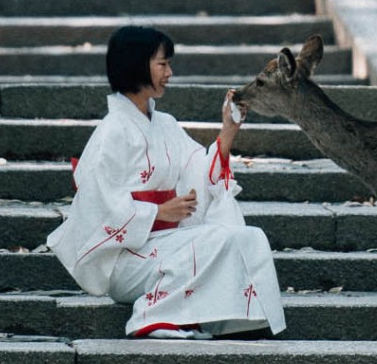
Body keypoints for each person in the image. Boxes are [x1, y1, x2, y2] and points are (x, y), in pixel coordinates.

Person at [47, 25, 287, 338]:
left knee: (248, 237)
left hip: (164, 244)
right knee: (215, 242)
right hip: (125, 258)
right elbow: (98, 205)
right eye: (162, 64)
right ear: (136, 65)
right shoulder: (111, 132)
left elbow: (198, 174)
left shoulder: (166, 125)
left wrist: (228, 130)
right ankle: (150, 315)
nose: (170, 72)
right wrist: (157, 213)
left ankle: (233, 320)